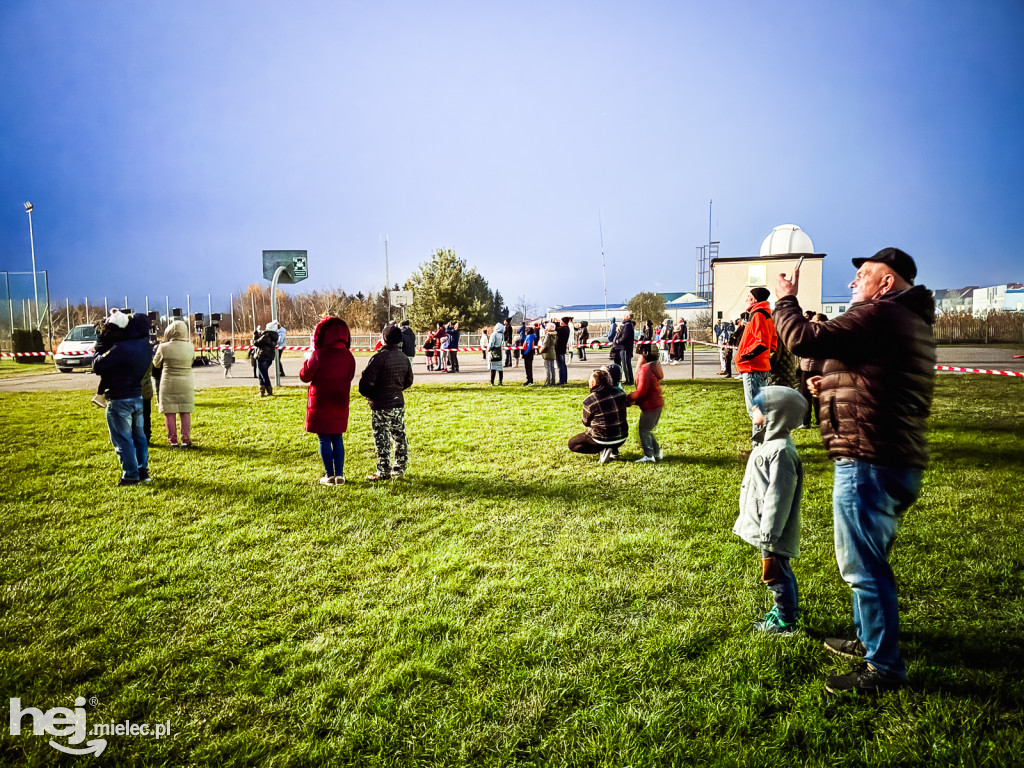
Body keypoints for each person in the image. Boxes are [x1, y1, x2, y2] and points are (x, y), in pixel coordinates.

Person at [773, 246, 936, 694]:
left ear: (887, 282)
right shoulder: (905, 319)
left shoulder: (882, 314)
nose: (853, 283)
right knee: (868, 560)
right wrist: (833, 382)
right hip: (888, 456)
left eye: (863, 275)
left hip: (869, 458)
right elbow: (880, 378)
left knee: (863, 567)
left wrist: (785, 297)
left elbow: (802, 339)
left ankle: (883, 667)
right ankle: (868, 640)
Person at [732, 386, 807, 634]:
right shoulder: (768, 444)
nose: (753, 409)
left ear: (776, 414)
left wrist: (769, 533)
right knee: (779, 570)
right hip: (767, 527)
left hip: (773, 530)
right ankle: (787, 610)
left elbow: (779, 496)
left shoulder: (782, 451)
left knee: (775, 575)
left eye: (759, 407)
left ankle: (786, 622)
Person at [92, 312, 154, 485]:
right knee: (139, 437)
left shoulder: (121, 348)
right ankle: (143, 471)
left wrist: (102, 345)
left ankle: (130, 475)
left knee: (123, 439)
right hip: (136, 395)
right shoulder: (145, 346)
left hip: (119, 398)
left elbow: (97, 365)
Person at [299, 316, 356, 486]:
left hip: (321, 402)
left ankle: (329, 474)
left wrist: (307, 359)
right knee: (337, 438)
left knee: (324, 439)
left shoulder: (317, 355)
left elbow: (305, 376)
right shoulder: (348, 356)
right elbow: (350, 376)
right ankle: (340, 474)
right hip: (340, 401)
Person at [359, 324, 414, 481]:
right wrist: (396, 389)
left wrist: (372, 395)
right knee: (399, 435)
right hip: (397, 403)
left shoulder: (379, 358)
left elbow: (365, 383)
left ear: (384, 339)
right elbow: (408, 380)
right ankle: (399, 469)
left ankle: (383, 470)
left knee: (381, 437)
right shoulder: (404, 358)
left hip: (381, 404)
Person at [736, 287, 778, 437]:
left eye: (748, 296)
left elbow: (762, 343)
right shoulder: (765, 314)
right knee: (759, 407)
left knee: (755, 410)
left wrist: (744, 355)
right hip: (759, 366)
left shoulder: (758, 315)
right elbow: (773, 342)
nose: (746, 299)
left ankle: (759, 445)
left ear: (755, 299)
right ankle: (765, 441)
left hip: (752, 367)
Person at [568, 368, 629, 464]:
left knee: (572, 444)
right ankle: (613, 450)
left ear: (593, 383)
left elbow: (585, 422)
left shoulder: (590, 400)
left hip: (602, 439)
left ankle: (603, 449)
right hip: (622, 437)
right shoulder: (620, 393)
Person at [153, 319, 197, 447]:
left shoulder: (163, 347)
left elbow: (156, 364)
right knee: (185, 411)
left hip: (168, 382)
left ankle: (173, 440)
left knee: (169, 411)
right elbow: (192, 361)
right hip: (186, 382)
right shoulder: (190, 347)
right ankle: (186, 440)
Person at [627, 350, 665, 463]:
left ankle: (649, 455)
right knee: (647, 429)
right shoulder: (654, 367)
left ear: (645, 356)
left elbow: (642, 392)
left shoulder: (646, 370)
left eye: (640, 355)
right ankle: (657, 453)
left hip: (651, 406)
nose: (638, 357)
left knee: (643, 430)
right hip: (656, 404)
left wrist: (628, 399)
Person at [797, 314, 827, 428]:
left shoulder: (814, 333)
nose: (810, 320)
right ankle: (820, 420)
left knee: (805, 396)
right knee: (817, 396)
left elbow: (804, 348)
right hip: (819, 367)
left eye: (813, 319)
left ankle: (806, 421)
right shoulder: (826, 333)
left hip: (809, 367)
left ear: (818, 321)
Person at [253, 323, 279, 396]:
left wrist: (255, 335)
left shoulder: (265, 336)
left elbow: (255, 343)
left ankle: (268, 390)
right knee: (261, 374)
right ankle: (262, 391)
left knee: (263, 375)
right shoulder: (275, 337)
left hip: (262, 357)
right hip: (269, 357)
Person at [611, 312, 637, 385]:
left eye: (625, 315)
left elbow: (625, 337)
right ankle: (628, 379)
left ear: (628, 317)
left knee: (626, 364)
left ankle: (629, 380)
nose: (623, 316)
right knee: (626, 364)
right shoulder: (627, 325)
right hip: (625, 347)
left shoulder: (627, 325)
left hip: (625, 348)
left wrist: (618, 341)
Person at [539, 321, 557, 385]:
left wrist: (540, 351)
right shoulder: (555, 335)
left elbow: (545, 345)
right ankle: (553, 381)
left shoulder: (548, 335)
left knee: (547, 368)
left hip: (547, 352)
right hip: (553, 351)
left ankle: (548, 381)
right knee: (552, 368)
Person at [555, 317, 571, 384]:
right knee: (563, 365)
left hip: (559, 349)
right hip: (562, 348)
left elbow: (556, 329)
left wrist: (555, 323)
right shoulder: (567, 329)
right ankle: (564, 380)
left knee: (561, 365)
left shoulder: (562, 329)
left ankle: (562, 380)